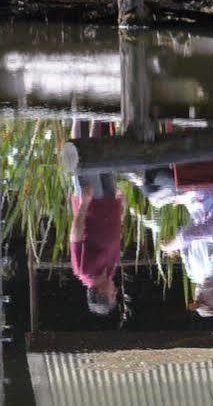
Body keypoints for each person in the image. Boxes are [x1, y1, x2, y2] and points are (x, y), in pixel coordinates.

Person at [141, 158, 213, 319]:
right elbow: (196, 234)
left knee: (154, 195)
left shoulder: (193, 274)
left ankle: (146, 159)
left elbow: (185, 244)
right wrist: (174, 244)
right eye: (203, 299)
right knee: (156, 180)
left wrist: (175, 248)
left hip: (195, 204)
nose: (198, 295)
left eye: (196, 298)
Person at [68, 121, 124, 317]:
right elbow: (115, 238)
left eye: (112, 295)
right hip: (109, 204)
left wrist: (83, 203)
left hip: (91, 205)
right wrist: (121, 208)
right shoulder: (109, 272)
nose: (115, 291)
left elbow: (75, 236)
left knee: (84, 159)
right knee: (104, 158)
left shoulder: (84, 271)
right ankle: (97, 116)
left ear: (100, 293)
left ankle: (77, 116)